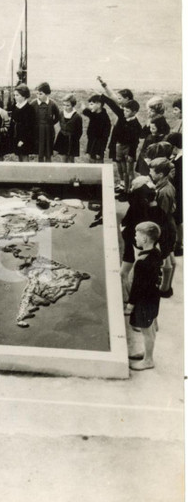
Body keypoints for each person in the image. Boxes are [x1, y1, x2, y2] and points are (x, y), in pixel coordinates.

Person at [125, 221, 163, 371]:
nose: (135, 237)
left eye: (137, 235)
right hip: (153, 298)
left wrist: (130, 305)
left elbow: (137, 287)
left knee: (146, 331)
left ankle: (148, 360)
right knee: (151, 328)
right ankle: (147, 352)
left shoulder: (142, 262)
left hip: (144, 301)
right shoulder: (156, 253)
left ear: (145, 239)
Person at [98, 78, 140, 193]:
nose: (118, 100)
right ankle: (122, 185)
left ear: (127, 99)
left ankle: (128, 188)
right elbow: (112, 96)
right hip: (118, 141)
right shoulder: (125, 107)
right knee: (119, 163)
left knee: (126, 168)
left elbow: (112, 103)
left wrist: (103, 97)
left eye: (120, 98)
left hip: (125, 143)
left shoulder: (126, 111)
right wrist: (104, 84)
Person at [149, 157, 177, 297]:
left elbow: (161, 214)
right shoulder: (166, 184)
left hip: (165, 228)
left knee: (166, 257)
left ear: (160, 174)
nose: (150, 173)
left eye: (152, 171)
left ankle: (164, 289)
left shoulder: (164, 191)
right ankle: (167, 285)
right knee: (170, 256)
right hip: (169, 225)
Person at [30, 82, 60, 163]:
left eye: (40, 94)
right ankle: (40, 168)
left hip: (49, 131)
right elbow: (29, 116)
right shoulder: (33, 104)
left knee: (48, 152)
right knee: (40, 152)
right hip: (37, 131)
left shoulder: (53, 104)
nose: (38, 96)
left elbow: (57, 117)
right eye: (37, 94)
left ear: (47, 94)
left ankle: (48, 168)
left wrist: (50, 124)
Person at [53, 94, 83, 163]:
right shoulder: (61, 113)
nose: (65, 107)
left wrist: (74, 140)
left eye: (68, 105)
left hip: (72, 139)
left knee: (71, 159)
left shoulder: (77, 117)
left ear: (73, 105)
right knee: (63, 157)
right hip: (62, 137)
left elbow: (79, 132)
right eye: (64, 105)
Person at [82, 94, 111, 163]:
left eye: (91, 104)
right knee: (91, 159)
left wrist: (100, 151)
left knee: (98, 161)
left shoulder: (105, 118)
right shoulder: (94, 113)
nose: (89, 106)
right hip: (91, 141)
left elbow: (105, 136)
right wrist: (83, 106)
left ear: (99, 104)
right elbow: (85, 111)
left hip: (99, 144)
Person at [10, 84, 36, 162]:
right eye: (14, 95)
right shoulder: (15, 106)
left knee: (24, 154)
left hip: (25, 136)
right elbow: (13, 120)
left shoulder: (29, 109)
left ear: (24, 96)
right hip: (16, 134)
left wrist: (23, 140)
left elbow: (30, 127)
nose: (15, 97)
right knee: (19, 154)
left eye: (17, 95)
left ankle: (26, 172)